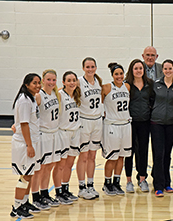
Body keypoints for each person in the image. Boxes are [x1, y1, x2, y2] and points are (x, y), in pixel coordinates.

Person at [33, 70, 71, 209]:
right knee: (40, 168)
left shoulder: (56, 93)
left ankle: (44, 193)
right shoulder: (39, 96)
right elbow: (29, 111)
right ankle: (36, 197)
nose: (51, 82)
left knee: (49, 166)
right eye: (48, 79)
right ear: (43, 80)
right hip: (43, 134)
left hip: (54, 133)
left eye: (53, 80)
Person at [10, 73, 42, 218]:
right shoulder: (24, 101)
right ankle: (16, 206)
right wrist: (29, 145)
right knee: (25, 176)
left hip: (32, 140)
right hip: (24, 143)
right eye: (34, 83)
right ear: (27, 84)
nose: (38, 85)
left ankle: (24, 202)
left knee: (29, 174)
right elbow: (24, 124)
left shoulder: (31, 98)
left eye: (39, 83)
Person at [150, 59, 173, 197]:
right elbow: (150, 101)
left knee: (167, 155)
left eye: (170, 68)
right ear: (162, 70)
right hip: (156, 123)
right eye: (165, 69)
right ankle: (158, 185)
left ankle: (167, 182)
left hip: (171, 123)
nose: (167, 71)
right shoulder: (156, 84)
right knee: (158, 154)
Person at [124, 59, 155, 192]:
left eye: (140, 68)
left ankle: (142, 179)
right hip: (130, 122)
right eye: (136, 68)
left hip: (145, 122)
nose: (138, 71)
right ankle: (129, 180)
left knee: (143, 151)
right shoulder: (126, 85)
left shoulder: (150, 84)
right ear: (132, 70)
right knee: (129, 151)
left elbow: (153, 101)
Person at [101, 63, 132, 196]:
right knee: (112, 157)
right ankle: (107, 184)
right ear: (112, 75)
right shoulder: (107, 88)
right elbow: (99, 103)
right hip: (112, 125)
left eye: (121, 74)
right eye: (116, 74)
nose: (119, 76)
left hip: (125, 124)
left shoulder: (127, 86)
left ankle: (116, 182)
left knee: (122, 157)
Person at [53, 71, 82, 203]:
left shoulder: (77, 95)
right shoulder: (59, 95)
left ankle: (65, 189)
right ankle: (58, 192)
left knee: (70, 164)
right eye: (69, 80)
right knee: (60, 164)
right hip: (63, 132)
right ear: (63, 82)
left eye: (74, 80)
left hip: (75, 132)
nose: (72, 83)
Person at [77, 57, 103, 200]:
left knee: (93, 155)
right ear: (83, 68)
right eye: (88, 67)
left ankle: (90, 184)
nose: (90, 69)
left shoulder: (98, 81)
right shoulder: (79, 81)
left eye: (92, 66)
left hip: (97, 121)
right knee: (84, 155)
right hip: (84, 121)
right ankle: (81, 187)